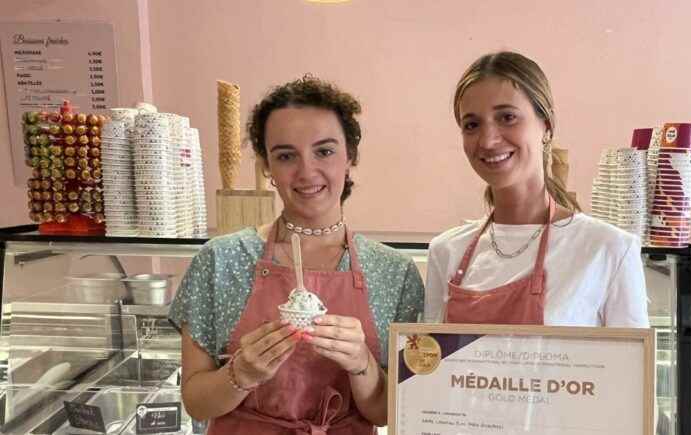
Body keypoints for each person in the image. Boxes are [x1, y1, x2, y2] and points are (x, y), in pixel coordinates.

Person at [169, 75, 424, 434]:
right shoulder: (221, 261)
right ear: (266, 166)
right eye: (286, 155)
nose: (307, 172)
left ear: (350, 155)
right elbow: (196, 401)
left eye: (324, 151)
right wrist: (241, 374)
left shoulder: (394, 273)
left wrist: (361, 363)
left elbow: (386, 412)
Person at [424, 51, 648, 327]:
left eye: (507, 117)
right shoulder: (445, 251)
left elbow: (630, 368)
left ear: (547, 126)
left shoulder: (609, 249)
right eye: (472, 125)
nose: (488, 140)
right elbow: (431, 365)